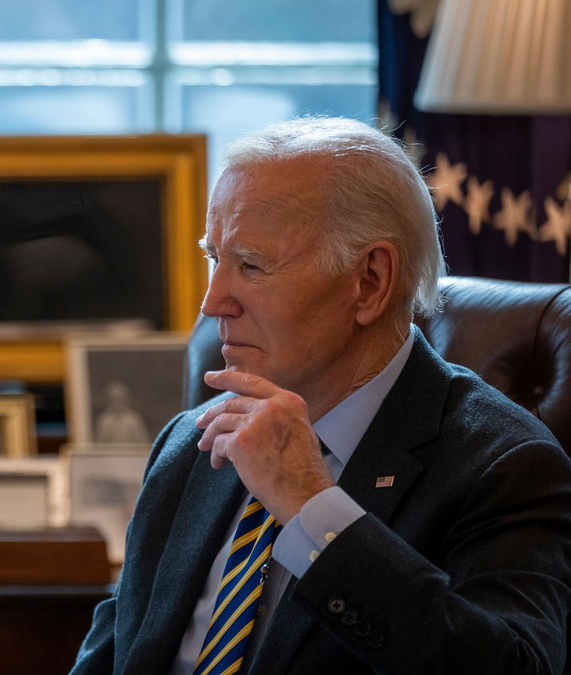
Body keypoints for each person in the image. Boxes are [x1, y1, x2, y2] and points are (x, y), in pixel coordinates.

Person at [70, 118, 571, 675]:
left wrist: (313, 507)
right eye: (216, 259)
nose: (212, 303)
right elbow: (111, 655)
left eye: (252, 265)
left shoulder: (506, 466)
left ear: (370, 283)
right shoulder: (188, 443)